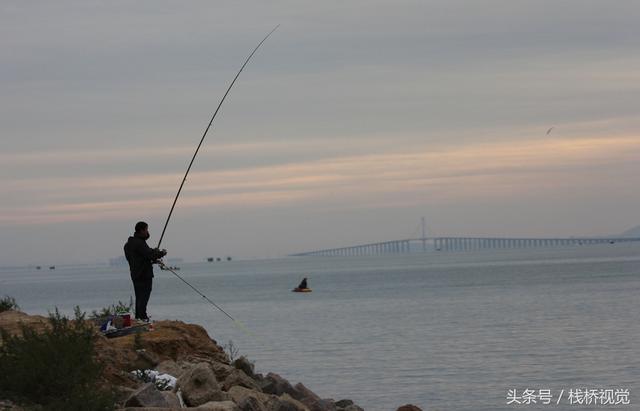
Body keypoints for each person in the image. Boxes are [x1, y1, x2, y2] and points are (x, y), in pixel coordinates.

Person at [124, 221, 167, 321]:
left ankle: (139, 317)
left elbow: (143, 255)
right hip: (144, 274)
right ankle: (142, 317)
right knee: (144, 296)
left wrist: (151, 254)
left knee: (139, 296)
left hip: (135, 274)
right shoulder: (139, 243)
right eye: (146, 229)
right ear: (141, 230)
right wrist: (161, 253)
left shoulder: (128, 244)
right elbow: (150, 255)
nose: (147, 232)